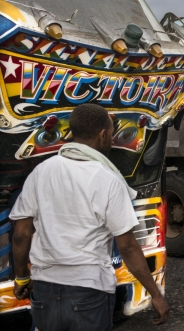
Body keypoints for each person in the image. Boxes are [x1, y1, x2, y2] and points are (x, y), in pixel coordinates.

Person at [10, 103, 170, 330]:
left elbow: (21, 233)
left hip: (44, 290)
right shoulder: (108, 179)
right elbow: (127, 247)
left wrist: (22, 278)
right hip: (88, 292)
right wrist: (156, 294)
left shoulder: (41, 172)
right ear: (103, 135)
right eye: (112, 134)